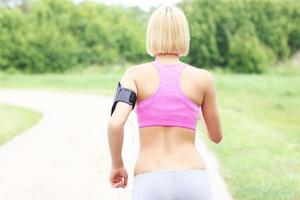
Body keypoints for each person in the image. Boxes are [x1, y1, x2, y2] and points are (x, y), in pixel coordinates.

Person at [107, 5, 222, 200]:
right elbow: (216, 136)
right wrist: (194, 111)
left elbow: (115, 123)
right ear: (184, 35)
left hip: (150, 181)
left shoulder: (134, 75)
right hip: (193, 180)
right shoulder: (203, 79)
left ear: (151, 35)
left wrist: (117, 165)